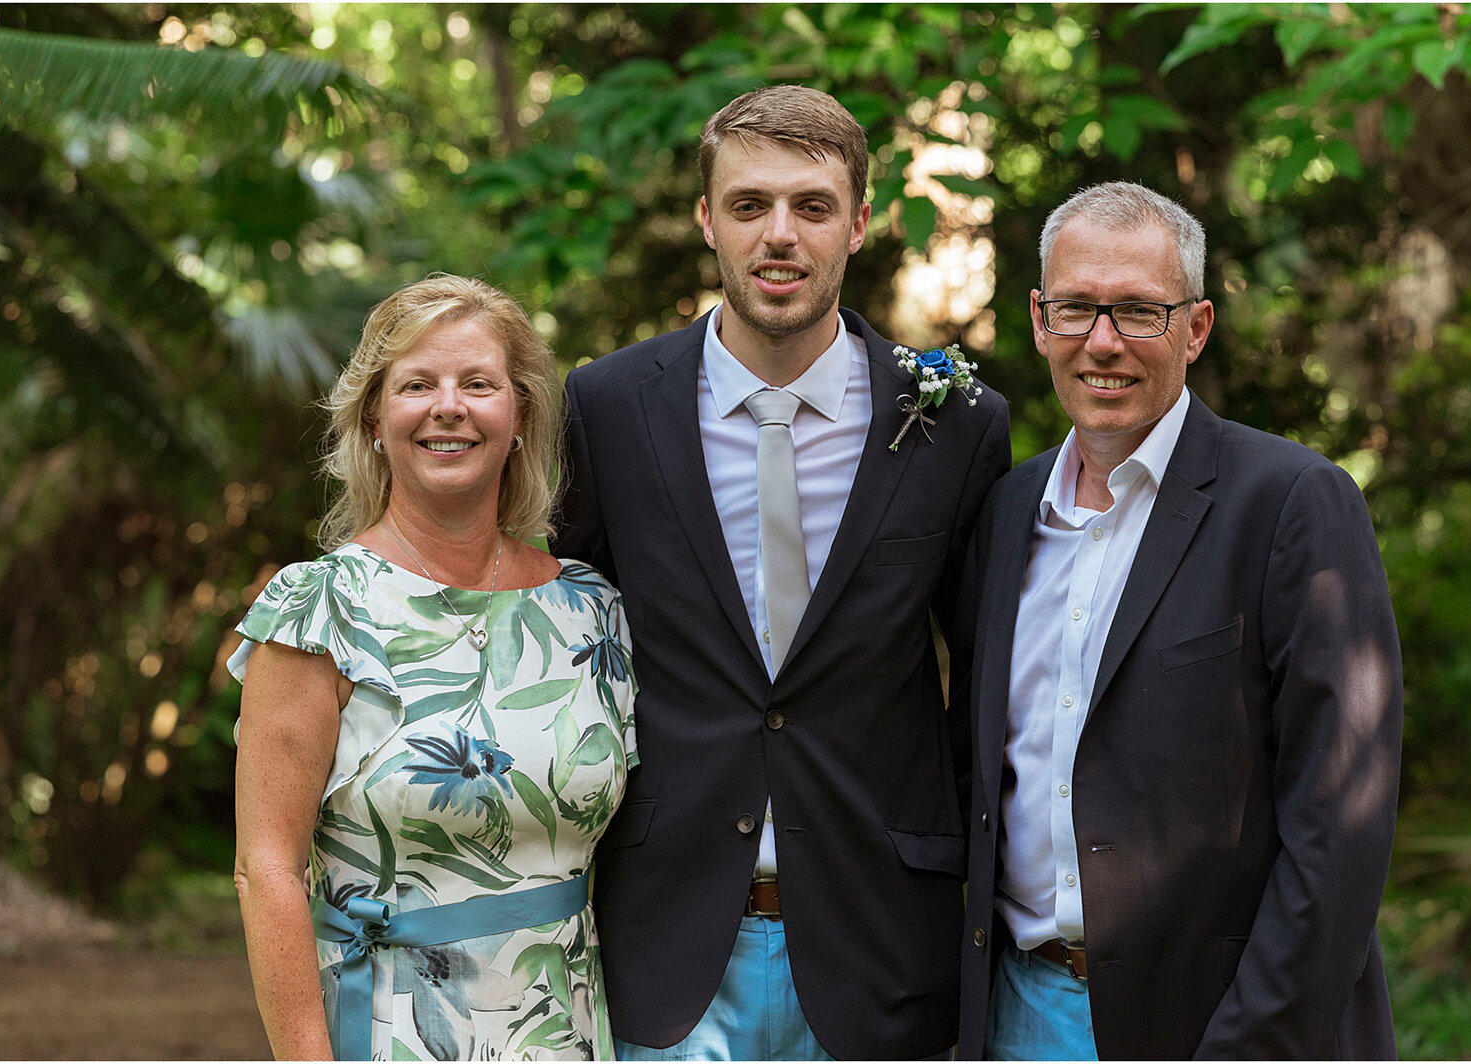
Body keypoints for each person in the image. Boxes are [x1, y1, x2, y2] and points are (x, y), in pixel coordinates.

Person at [553, 84, 1012, 1059]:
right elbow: (557, 646)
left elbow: (983, 685)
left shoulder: (955, 423)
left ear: (858, 222)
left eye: (810, 206)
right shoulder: (604, 407)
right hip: (664, 942)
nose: (778, 236)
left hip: (879, 942)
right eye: (749, 204)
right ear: (705, 219)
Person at [952, 181, 1402, 1059]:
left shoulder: (1291, 504)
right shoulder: (1006, 514)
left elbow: (1339, 833)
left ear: (1194, 328)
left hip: (1213, 1025)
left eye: (1139, 312)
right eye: (1078, 309)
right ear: (1041, 321)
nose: (1103, 343)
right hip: (1013, 1014)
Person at [229, 274, 636, 1060]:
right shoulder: (320, 611)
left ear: (518, 417)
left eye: (478, 384)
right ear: (375, 420)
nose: (449, 406)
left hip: (572, 1035)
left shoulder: (592, 611)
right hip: (393, 1033)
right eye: (418, 384)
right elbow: (266, 870)